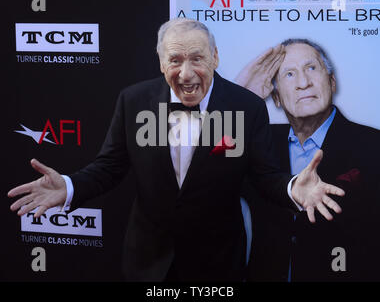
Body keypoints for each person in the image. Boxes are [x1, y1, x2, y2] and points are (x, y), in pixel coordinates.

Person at [8, 20, 344, 282]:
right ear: (160, 62)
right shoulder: (134, 101)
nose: (186, 73)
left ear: (215, 57)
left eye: (197, 58)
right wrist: (69, 186)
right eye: (175, 60)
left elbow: (264, 177)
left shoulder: (245, 107)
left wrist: (292, 188)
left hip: (217, 265)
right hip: (148, 263)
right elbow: (109, 166)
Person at [236, 38, 380, 281]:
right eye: (289, 74)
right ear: (277, 98)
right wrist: (240, 100)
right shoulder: (257, 142)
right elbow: (202, 170)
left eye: (311, 68)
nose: (303, 83)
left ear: (332, 82)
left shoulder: (373, 144)